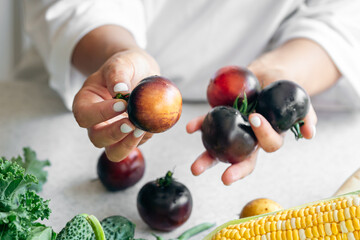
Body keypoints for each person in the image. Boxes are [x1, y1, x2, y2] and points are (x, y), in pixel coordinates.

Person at [23, 0, 360, 185]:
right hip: (83, 80)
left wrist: (282, 76)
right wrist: (120, 56)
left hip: (283, 59)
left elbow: (346, 13)